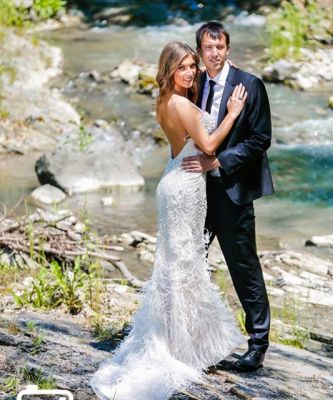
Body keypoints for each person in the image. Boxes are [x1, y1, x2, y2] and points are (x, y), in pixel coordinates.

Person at [89, 41, 247, 400]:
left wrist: (219, 68)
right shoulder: (181, 104)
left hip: (173, 178)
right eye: (182, 68)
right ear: (169, 71)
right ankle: (180, 346)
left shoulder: (164, 100)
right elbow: (209, 146)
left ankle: (180, 339)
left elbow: (189, 125)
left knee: (176, 264)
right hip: (185, 186)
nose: (189, 73)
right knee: (184, 265)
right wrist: (233, 113)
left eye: (193, 66)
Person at [181, 21, 274, 372]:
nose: (215, 53)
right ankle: (191, 335)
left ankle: (258, 343)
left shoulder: (250, 85)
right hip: (196, 191)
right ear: (200, 52)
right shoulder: (194, 82)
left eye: (220, 47)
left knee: (244, 267)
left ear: (228, 49)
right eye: (208, 47)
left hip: (232, 191)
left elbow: (261, 139)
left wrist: (219, 160)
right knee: (190, 261)